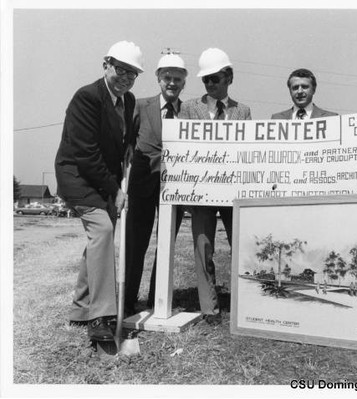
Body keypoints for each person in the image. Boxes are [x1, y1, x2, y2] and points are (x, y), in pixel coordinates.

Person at [54, 41, 144, 342]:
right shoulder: (87, 97)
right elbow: (85, 154)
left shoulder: (128, 101)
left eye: (132, 74)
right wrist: (115, 190)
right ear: (106, 65)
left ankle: (80, 308)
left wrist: (130, 144)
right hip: (78, 176)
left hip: (105, 179)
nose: (125, 79)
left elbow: (124, 137)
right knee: (103, 230)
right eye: (121, 70)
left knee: (99, 241)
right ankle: (100, 316)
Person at [179, 48, 251, 324]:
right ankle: (209, 308)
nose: (210, 84)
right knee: (203, 247)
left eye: (215, 79)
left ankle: (244, 301)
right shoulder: (188, 108)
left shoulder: (242, 111)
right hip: (201, 192)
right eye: (206, 80)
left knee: (241, 247)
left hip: (233, 193)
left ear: (229, 76)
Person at [124, 52, 187, 315]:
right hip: (142, 187)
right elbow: (126, 142)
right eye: (167, 78)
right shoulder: (140, 106)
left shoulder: (189, 112)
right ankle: (127, 301)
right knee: (135, 243)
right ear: (158, 79)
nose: (172, 83)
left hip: (175, 189)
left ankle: (156, 299)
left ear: (184, 82)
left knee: (166, 244)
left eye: (177, 79)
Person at [271, 68, 337, 119]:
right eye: (295, 87)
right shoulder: (277, 119)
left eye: (305, 87)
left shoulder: (331, 118)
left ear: (314, 89)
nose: (300, 91)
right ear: (290, 91)